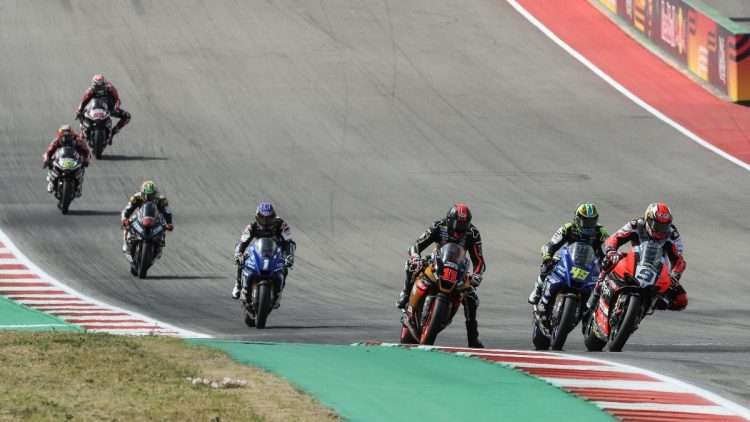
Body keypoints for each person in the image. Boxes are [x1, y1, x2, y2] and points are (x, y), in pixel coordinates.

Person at [397, 203, 486, 348]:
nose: (459, 229)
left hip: (458, 269)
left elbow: (479, 261)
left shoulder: (472, 233)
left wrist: (476, 275)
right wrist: (415, 257)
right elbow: (417, 245)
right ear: (449, 220)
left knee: (472, 298)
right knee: (412, 265)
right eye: (457, 224)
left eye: (463, 225)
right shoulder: (439, 226)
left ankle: (473, 338)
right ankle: (405, 295)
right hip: (436, 263)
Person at [587, 202, 687, 311]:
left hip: (657, 270)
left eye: (664, 226)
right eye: (657, 226)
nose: (660, 230)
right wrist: (611, 251)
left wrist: (674, 275)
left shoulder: (672, 234)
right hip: (633, 261)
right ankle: (596, 293)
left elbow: (679, 260)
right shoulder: (636, 225)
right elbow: (615, 237)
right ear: (648, 219)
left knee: (681, 300)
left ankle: (652, 302)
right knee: (608, 261)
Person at [528, 203, 608, 311]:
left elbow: (609, 248)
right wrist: (547, 257)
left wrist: (608, 261)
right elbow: (550, 245)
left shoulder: (601, 232)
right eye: (585, 221)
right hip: (568, 258)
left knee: (603, 284)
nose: (588, 225)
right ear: (577, 219)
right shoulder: (568, 228)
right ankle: (537, 290)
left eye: (592, 221)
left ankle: (589, 318)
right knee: (547, 266)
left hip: (590, 263)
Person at [232, 202, 296, 307]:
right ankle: (238, 285)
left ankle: (278, 293)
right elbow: (242, 242)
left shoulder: (281, 224)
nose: (266, 222)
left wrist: (289, 256)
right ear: (257, 217)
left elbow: (289, 242)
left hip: (275, 252)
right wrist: (238, 254)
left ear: (274, 217)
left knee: (284, 267)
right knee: (242, 259)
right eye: (263, 218)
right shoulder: (252, 226)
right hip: (258, 251)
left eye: (269, 218)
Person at [120, 181, 174, 254]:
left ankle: (160, 245)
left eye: (151, 195)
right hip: (140, 217)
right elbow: (127, 209)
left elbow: (167, 212)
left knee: (163, 223)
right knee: (128, 222)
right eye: (147, 195)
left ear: (155, 193)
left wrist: (169, 223)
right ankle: (126, 242)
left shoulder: (161, 200)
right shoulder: (136, 197)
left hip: (155, 218)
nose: (149, 197)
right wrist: (124, 219)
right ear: (142, 193)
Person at [76, 74, 131, 144]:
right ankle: (82, 132)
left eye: (101, 86)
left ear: (104, 83)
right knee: (81, 114)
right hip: (93, 108)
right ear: (93, 85)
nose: (99, 88)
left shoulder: (110, 88)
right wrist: (79, 111)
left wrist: (116, 107)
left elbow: (117, 100)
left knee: (127, 116)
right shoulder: (90, 91)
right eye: (97, 87)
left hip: (108, 108)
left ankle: (112, 133)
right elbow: (83, 102)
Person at [42, 124, 90, 197]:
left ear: (72, 135)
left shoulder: (78, 141)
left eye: (68, 136)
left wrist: (86, 160)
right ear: (60, 136)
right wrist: (46, 160)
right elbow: (48, 151)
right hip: (60, 158)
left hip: (74, 159)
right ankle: (51, 181)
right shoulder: (56, 141)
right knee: (50, 163)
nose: (66, 139)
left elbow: (87, 151)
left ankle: (78, 187)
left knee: (82, 168)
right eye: (63, 137)